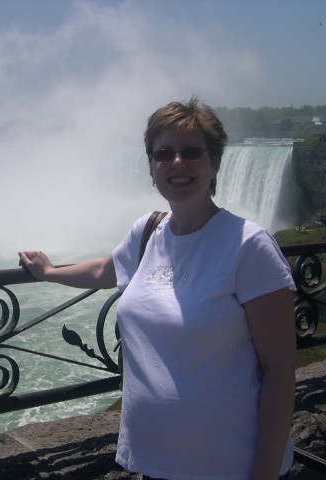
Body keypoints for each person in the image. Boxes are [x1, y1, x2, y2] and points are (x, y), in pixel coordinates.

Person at [18, 97, 296, 479]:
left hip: (228, 464)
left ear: (215, 162)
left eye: (192, 152)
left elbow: (280, 370)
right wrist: (49, 272)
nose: (177, 163)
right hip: (153, 462)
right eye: (163, 153)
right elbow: (105, 270)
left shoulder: (249, 246)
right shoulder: (148, 232)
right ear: (151, 168)